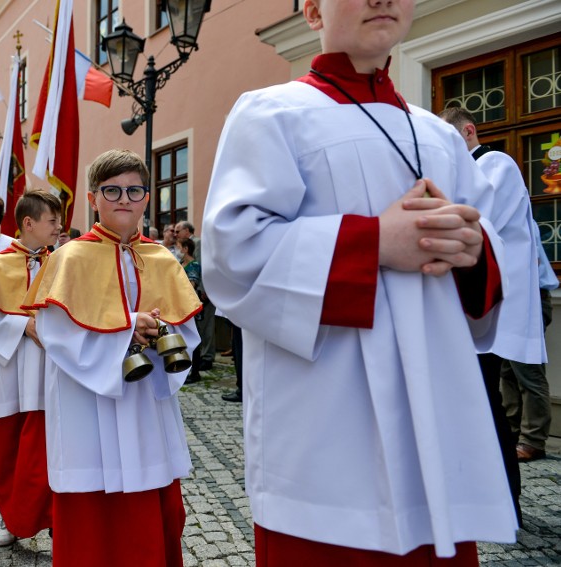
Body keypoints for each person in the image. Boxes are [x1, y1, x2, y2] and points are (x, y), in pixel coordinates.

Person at [202, 0, 518, 564]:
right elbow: (233, 257)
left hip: (436, 408)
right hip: (326, 423)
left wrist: (474, 250)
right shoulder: (271, 113)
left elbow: (487, 246)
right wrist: (373, 243)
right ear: (312, 11)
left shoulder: (438, 136)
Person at [22, 149, 201, 566]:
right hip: (86, 397)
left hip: (144, 398)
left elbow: (187, 329)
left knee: (148, 489)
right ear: (93, 198)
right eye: (112, 190)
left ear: (146, 197)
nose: (124, 198)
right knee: (92, 501)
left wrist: (159, 332)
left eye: (134, 190)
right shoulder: (70, 257)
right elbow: (54, 331)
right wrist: (124, 330)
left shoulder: (160, 257)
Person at [440, 106, 545, 521]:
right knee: (479, 403)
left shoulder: (494, 162)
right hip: (475, 306)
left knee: (487, 403)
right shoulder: (466, 170)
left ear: (468, 132)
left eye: (451, 141)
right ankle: (487, 500)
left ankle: (506, 506)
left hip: (493, 305)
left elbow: (477, 221)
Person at [0, 190, 62, 546]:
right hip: (8, 372)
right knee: (8, 450)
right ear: (29, 223)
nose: (59, 227)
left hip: (48, 371)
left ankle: (51, 516)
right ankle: (7, 513)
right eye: (53, 221)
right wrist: (24, 325)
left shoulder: (62, 263)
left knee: (46, 451)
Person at [500, 220, 558, 462]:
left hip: (528, 298)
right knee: (507, 372)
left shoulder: (518, 219)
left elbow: (526, 262)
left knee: (528, 371)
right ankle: (512, 433)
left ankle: (533, 441)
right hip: (509, 299)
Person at [176, 220, 214, 370]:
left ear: (187, 230)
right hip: (191, 293)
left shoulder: (197, 242)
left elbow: (203, 265)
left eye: (178, 231)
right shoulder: (183, 255)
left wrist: (205, 289)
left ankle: (207, 357)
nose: (175, 234)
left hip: (200, 290)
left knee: (206, 326)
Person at [177, 237, 203, 384]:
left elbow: (191, 285)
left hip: (191, 305)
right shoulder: (180, 263)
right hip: (180, 304)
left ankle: (195, 372)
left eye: (180, 247)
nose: (178, 250)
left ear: (186, 249)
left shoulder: (194, 265)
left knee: (195, 337)